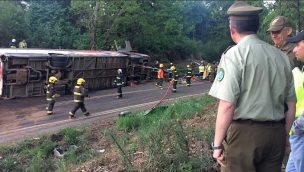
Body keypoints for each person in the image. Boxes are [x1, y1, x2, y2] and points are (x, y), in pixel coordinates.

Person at [209, 2, 296, 172]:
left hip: (245, 136)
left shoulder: (234, 55)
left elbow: (227, 104)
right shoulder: (281, 56)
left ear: (231, 29)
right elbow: (291, 104)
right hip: (276, 133)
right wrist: (284, 135)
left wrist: (217, 144)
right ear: (257, 26)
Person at [285, 30, 304, 172]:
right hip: (297, 134)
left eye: (297, 45)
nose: (294, 49)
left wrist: (298, 126)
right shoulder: (301, 70)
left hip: (301, 133)